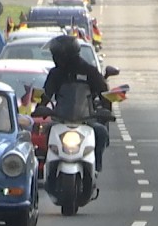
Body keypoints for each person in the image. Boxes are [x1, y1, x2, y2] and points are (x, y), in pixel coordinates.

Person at [40, 33, 109, 171]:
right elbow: (46, 94)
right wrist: (40, 108)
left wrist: (105, 110)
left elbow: (104, 93)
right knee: (47, 131)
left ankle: (96, 164)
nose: (54, 58)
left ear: (65, 55)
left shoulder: (89, 71)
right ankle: (49, 165)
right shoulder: (55, 74)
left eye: (56, 55)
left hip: (85, 118)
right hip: (61, 118)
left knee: (101, 132)